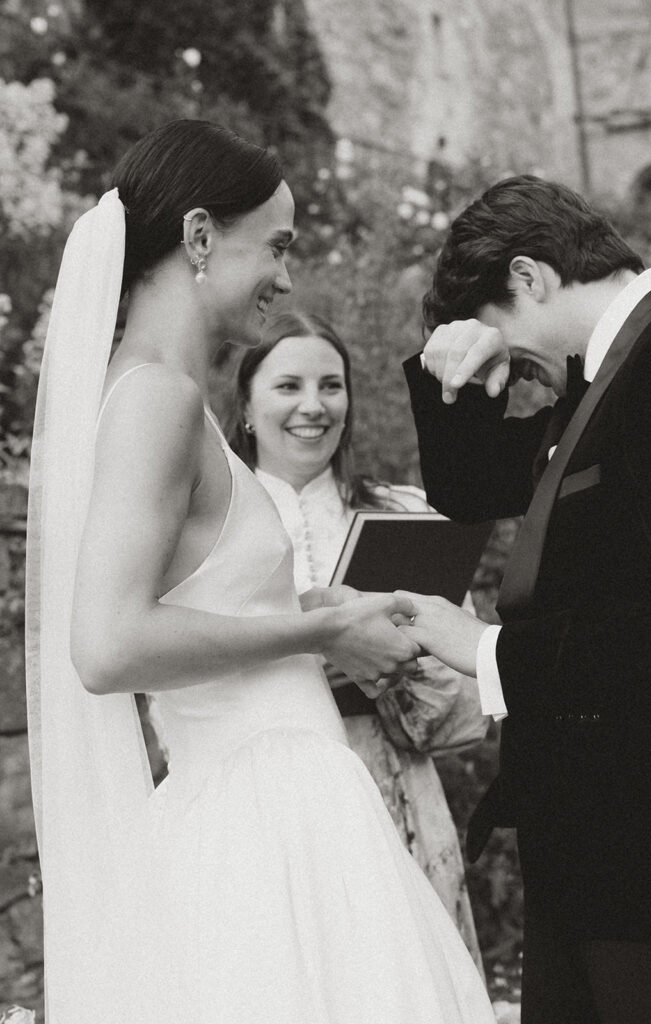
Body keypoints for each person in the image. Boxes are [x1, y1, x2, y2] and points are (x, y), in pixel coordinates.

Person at [25, 119, 496, 1024]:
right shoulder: (155, 397)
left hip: (291, 802)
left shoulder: (170, 397)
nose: (287, 277)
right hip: (260, 825)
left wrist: (309, 611)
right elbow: (108, 645)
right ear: (200, 237)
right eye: (275, 246)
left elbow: (189, 599)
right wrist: (321, 629)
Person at [399, 176, 651, 1023]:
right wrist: (465, 372)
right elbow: (473, 489)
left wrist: (483, 649)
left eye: (497, 323)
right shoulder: (605, 383)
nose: (508, 354)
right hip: (591, 856)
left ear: (532, 277)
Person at [221, 309, 487, 969]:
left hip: (395, 795)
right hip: (258, 802)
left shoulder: (406, 513)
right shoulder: (212, 528)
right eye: (288, 386)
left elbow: (469, 705)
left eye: (331, 386)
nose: (313, 406)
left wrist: (392, 670)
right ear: (247, 406)